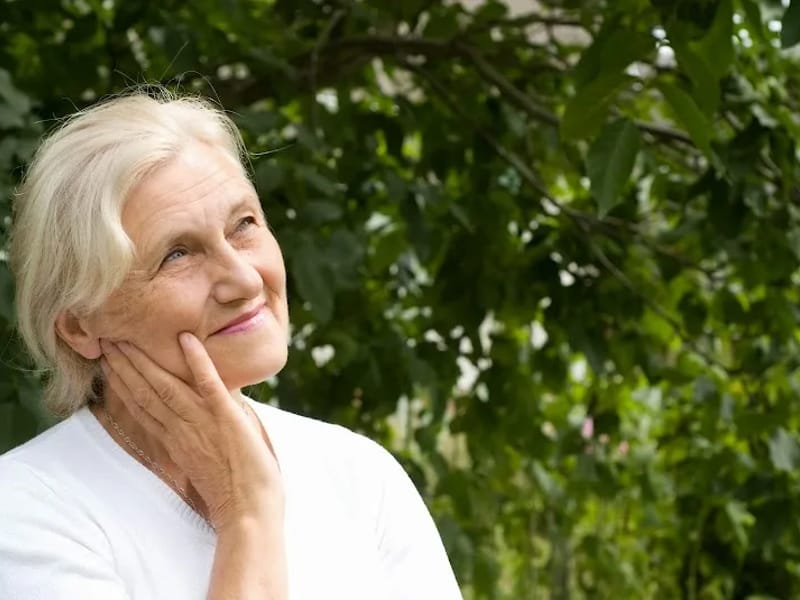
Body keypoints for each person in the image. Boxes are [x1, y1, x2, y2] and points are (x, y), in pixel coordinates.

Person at [0, 89, 462, 599]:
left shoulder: (358, 475)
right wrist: (246, 515)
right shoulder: (27, 511)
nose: (244, 279)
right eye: (177, 254)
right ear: (80, 326)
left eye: (244, 224)